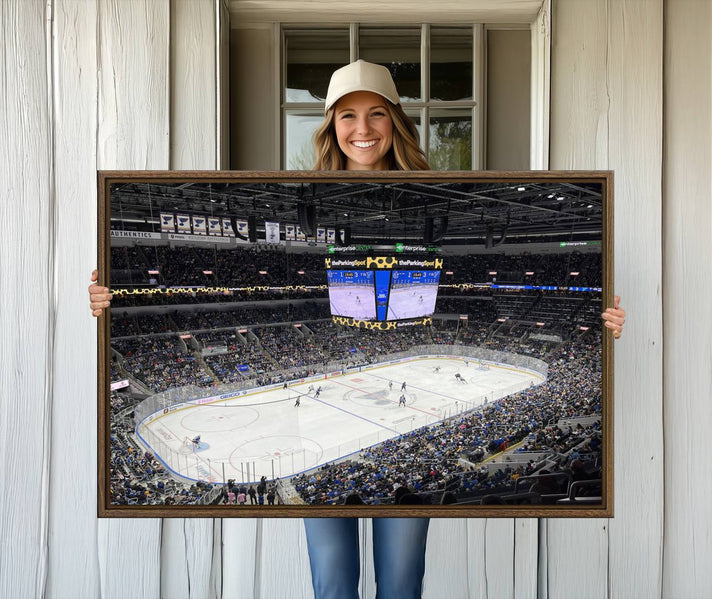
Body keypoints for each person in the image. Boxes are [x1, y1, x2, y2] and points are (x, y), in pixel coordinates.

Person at [88, 59, 627, 599]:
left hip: (375, 352)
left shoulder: (444, 192)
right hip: (337, 349)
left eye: (376, 115)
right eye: (347, 116)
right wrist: (108, 297)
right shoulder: (297, 196)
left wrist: (604, 319)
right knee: (333, 584)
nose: (362, 129)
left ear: (395, 120)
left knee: (400, 582)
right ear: (330, 126)